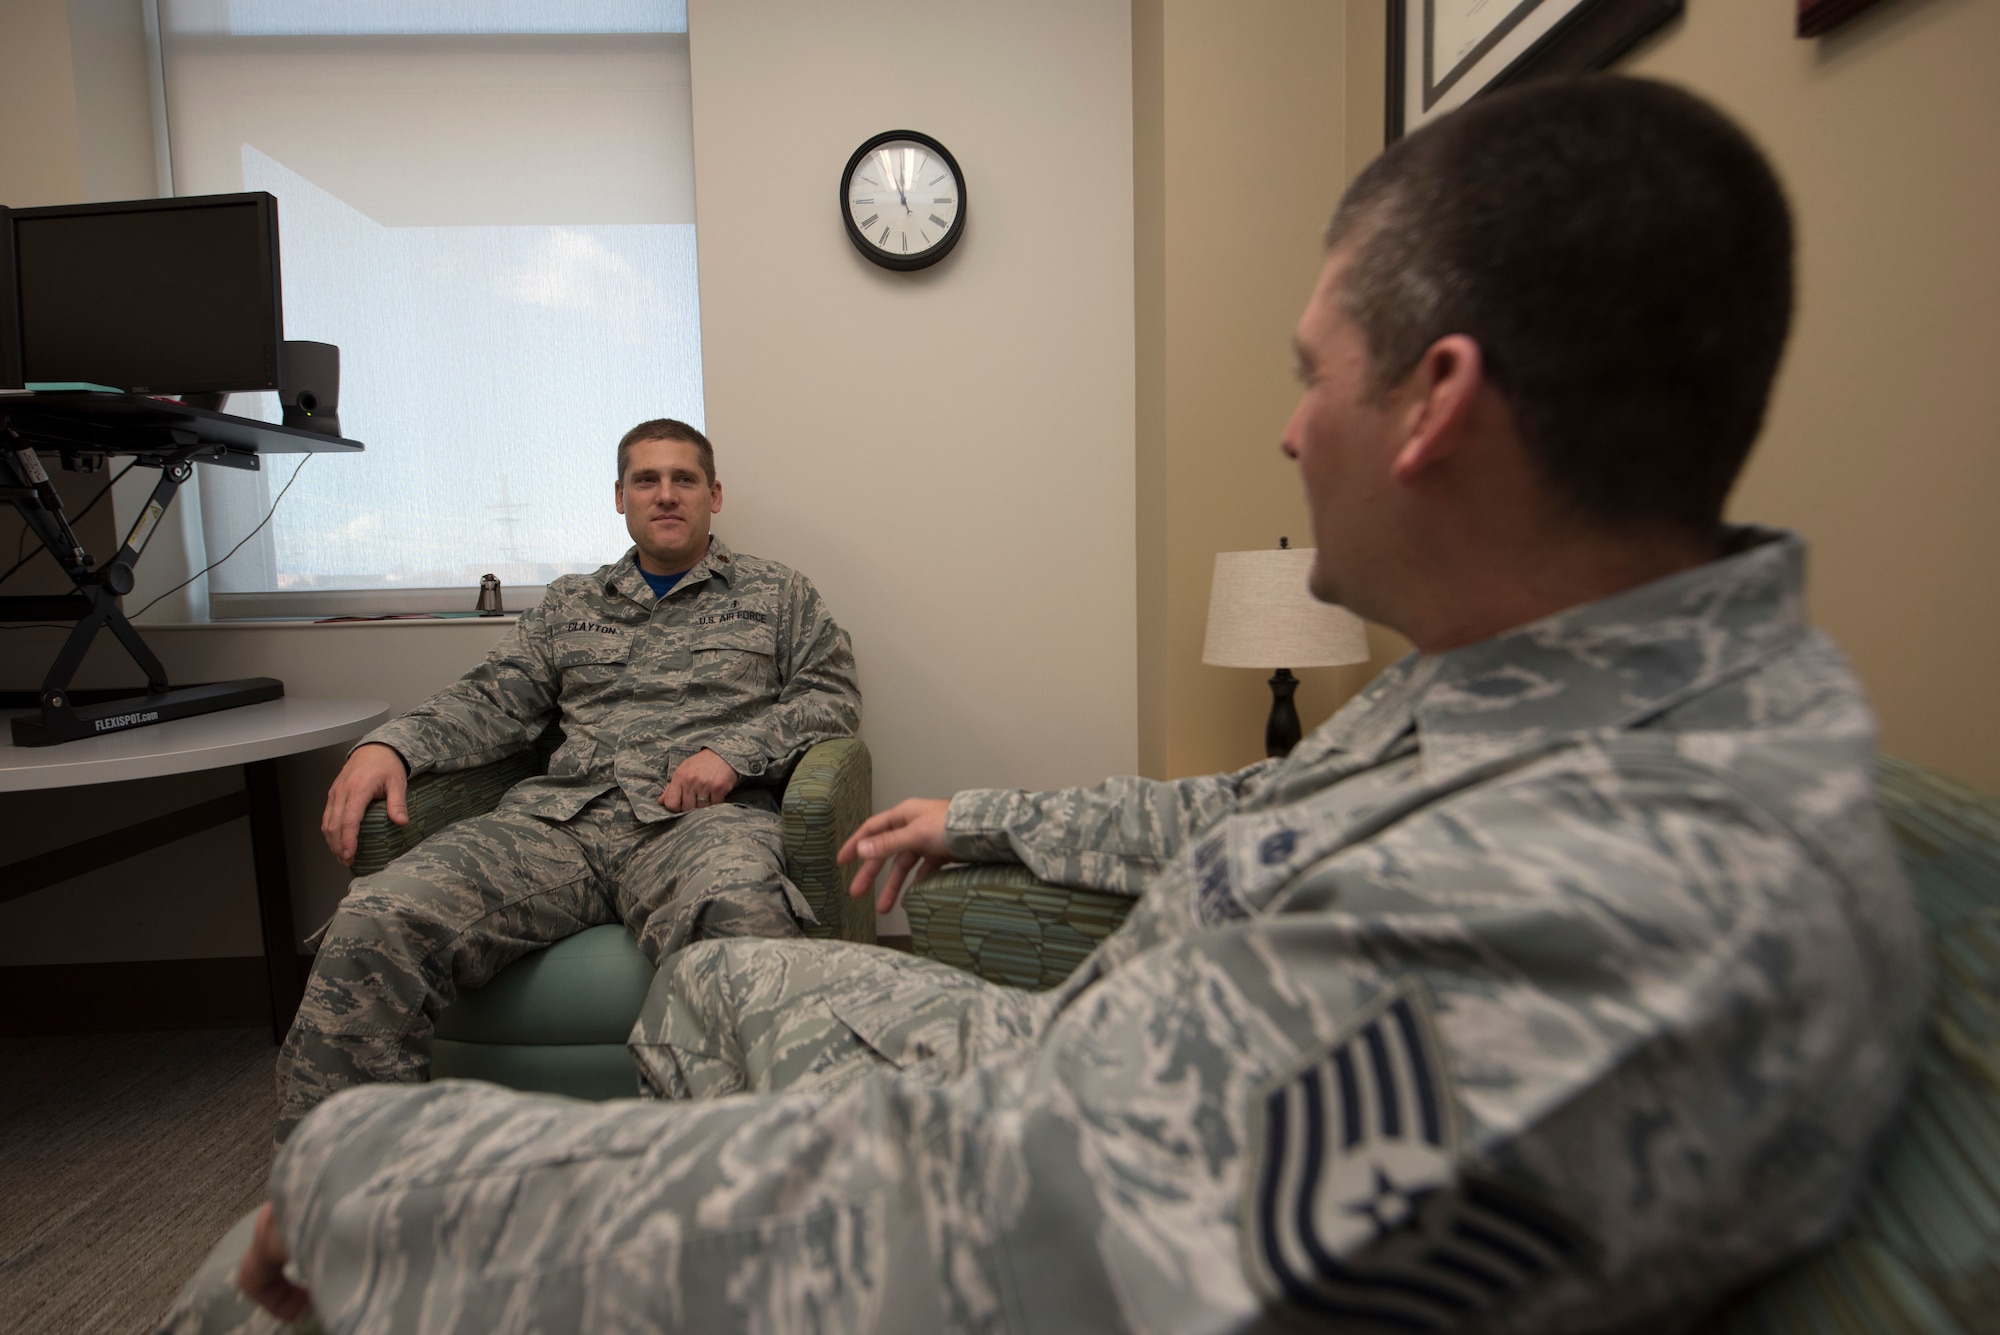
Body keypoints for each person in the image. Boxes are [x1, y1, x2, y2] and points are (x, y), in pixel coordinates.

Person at [168, 76, 1922, 1335]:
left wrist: (393, 1196)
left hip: (1062, 1148)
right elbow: (1239, 817)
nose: (1289, 430)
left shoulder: (1635, 899)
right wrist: (991, 813)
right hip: (1068, 1060)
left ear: (1434, 406)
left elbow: (1051, 1218)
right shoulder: (1509, 687)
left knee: (268, 1279)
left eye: (1310, 374)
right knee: (717, 990)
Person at [275, 417, 861, 1141]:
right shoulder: (570, 604)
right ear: (620, 497)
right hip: (561, 826)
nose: (666, 494)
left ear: (714, 494)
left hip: (704, 823)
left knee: (744, 920)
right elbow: (490, 699)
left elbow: (830, 696)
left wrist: (735, 753)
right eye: (647, 479)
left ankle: (733, 1185)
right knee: (380, 913)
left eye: (684, 479)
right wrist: (389, 746)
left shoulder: (778, 594)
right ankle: (338, 1186)